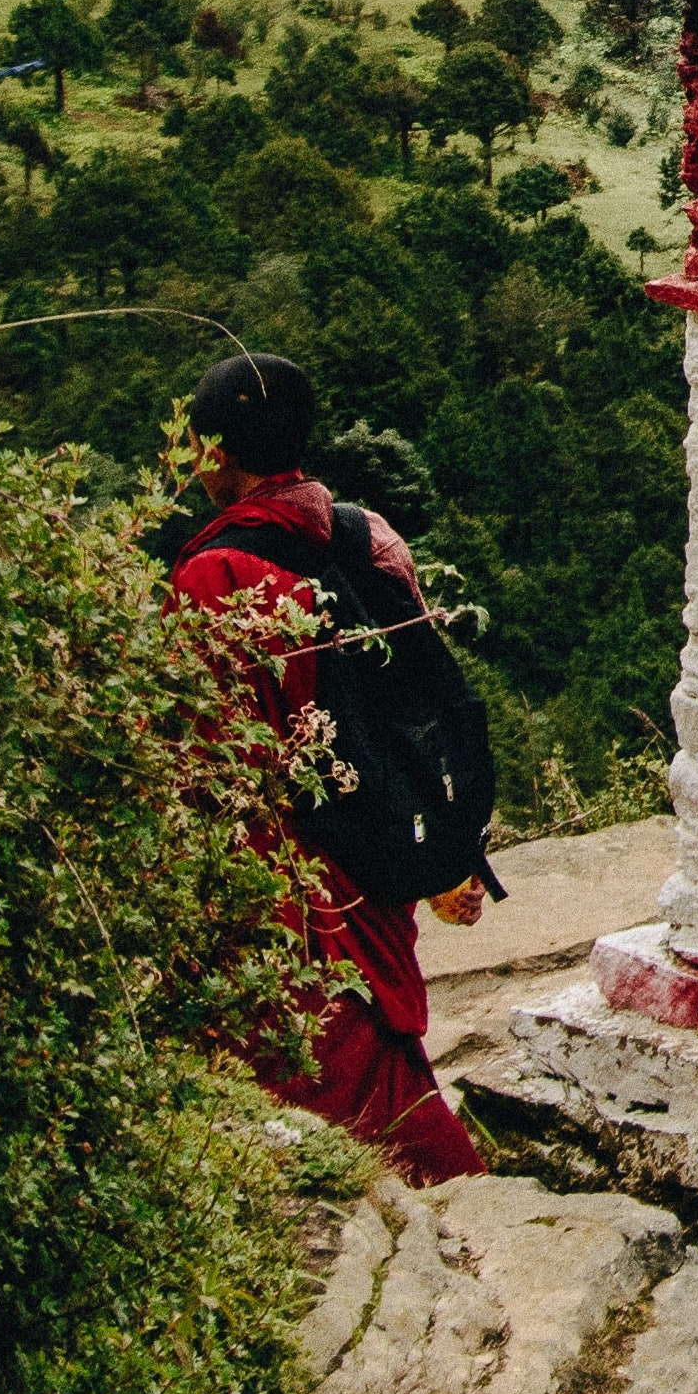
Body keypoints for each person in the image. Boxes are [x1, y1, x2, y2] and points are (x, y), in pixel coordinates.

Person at [164, 350, 489, 1186]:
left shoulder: (217, 575)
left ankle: (453, 1211)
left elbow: (208, 761)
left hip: (293, 869)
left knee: (329, 1070)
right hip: (377, 839)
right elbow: (412, 698)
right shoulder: (367, 535)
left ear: (216, 454)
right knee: (376, 1058)